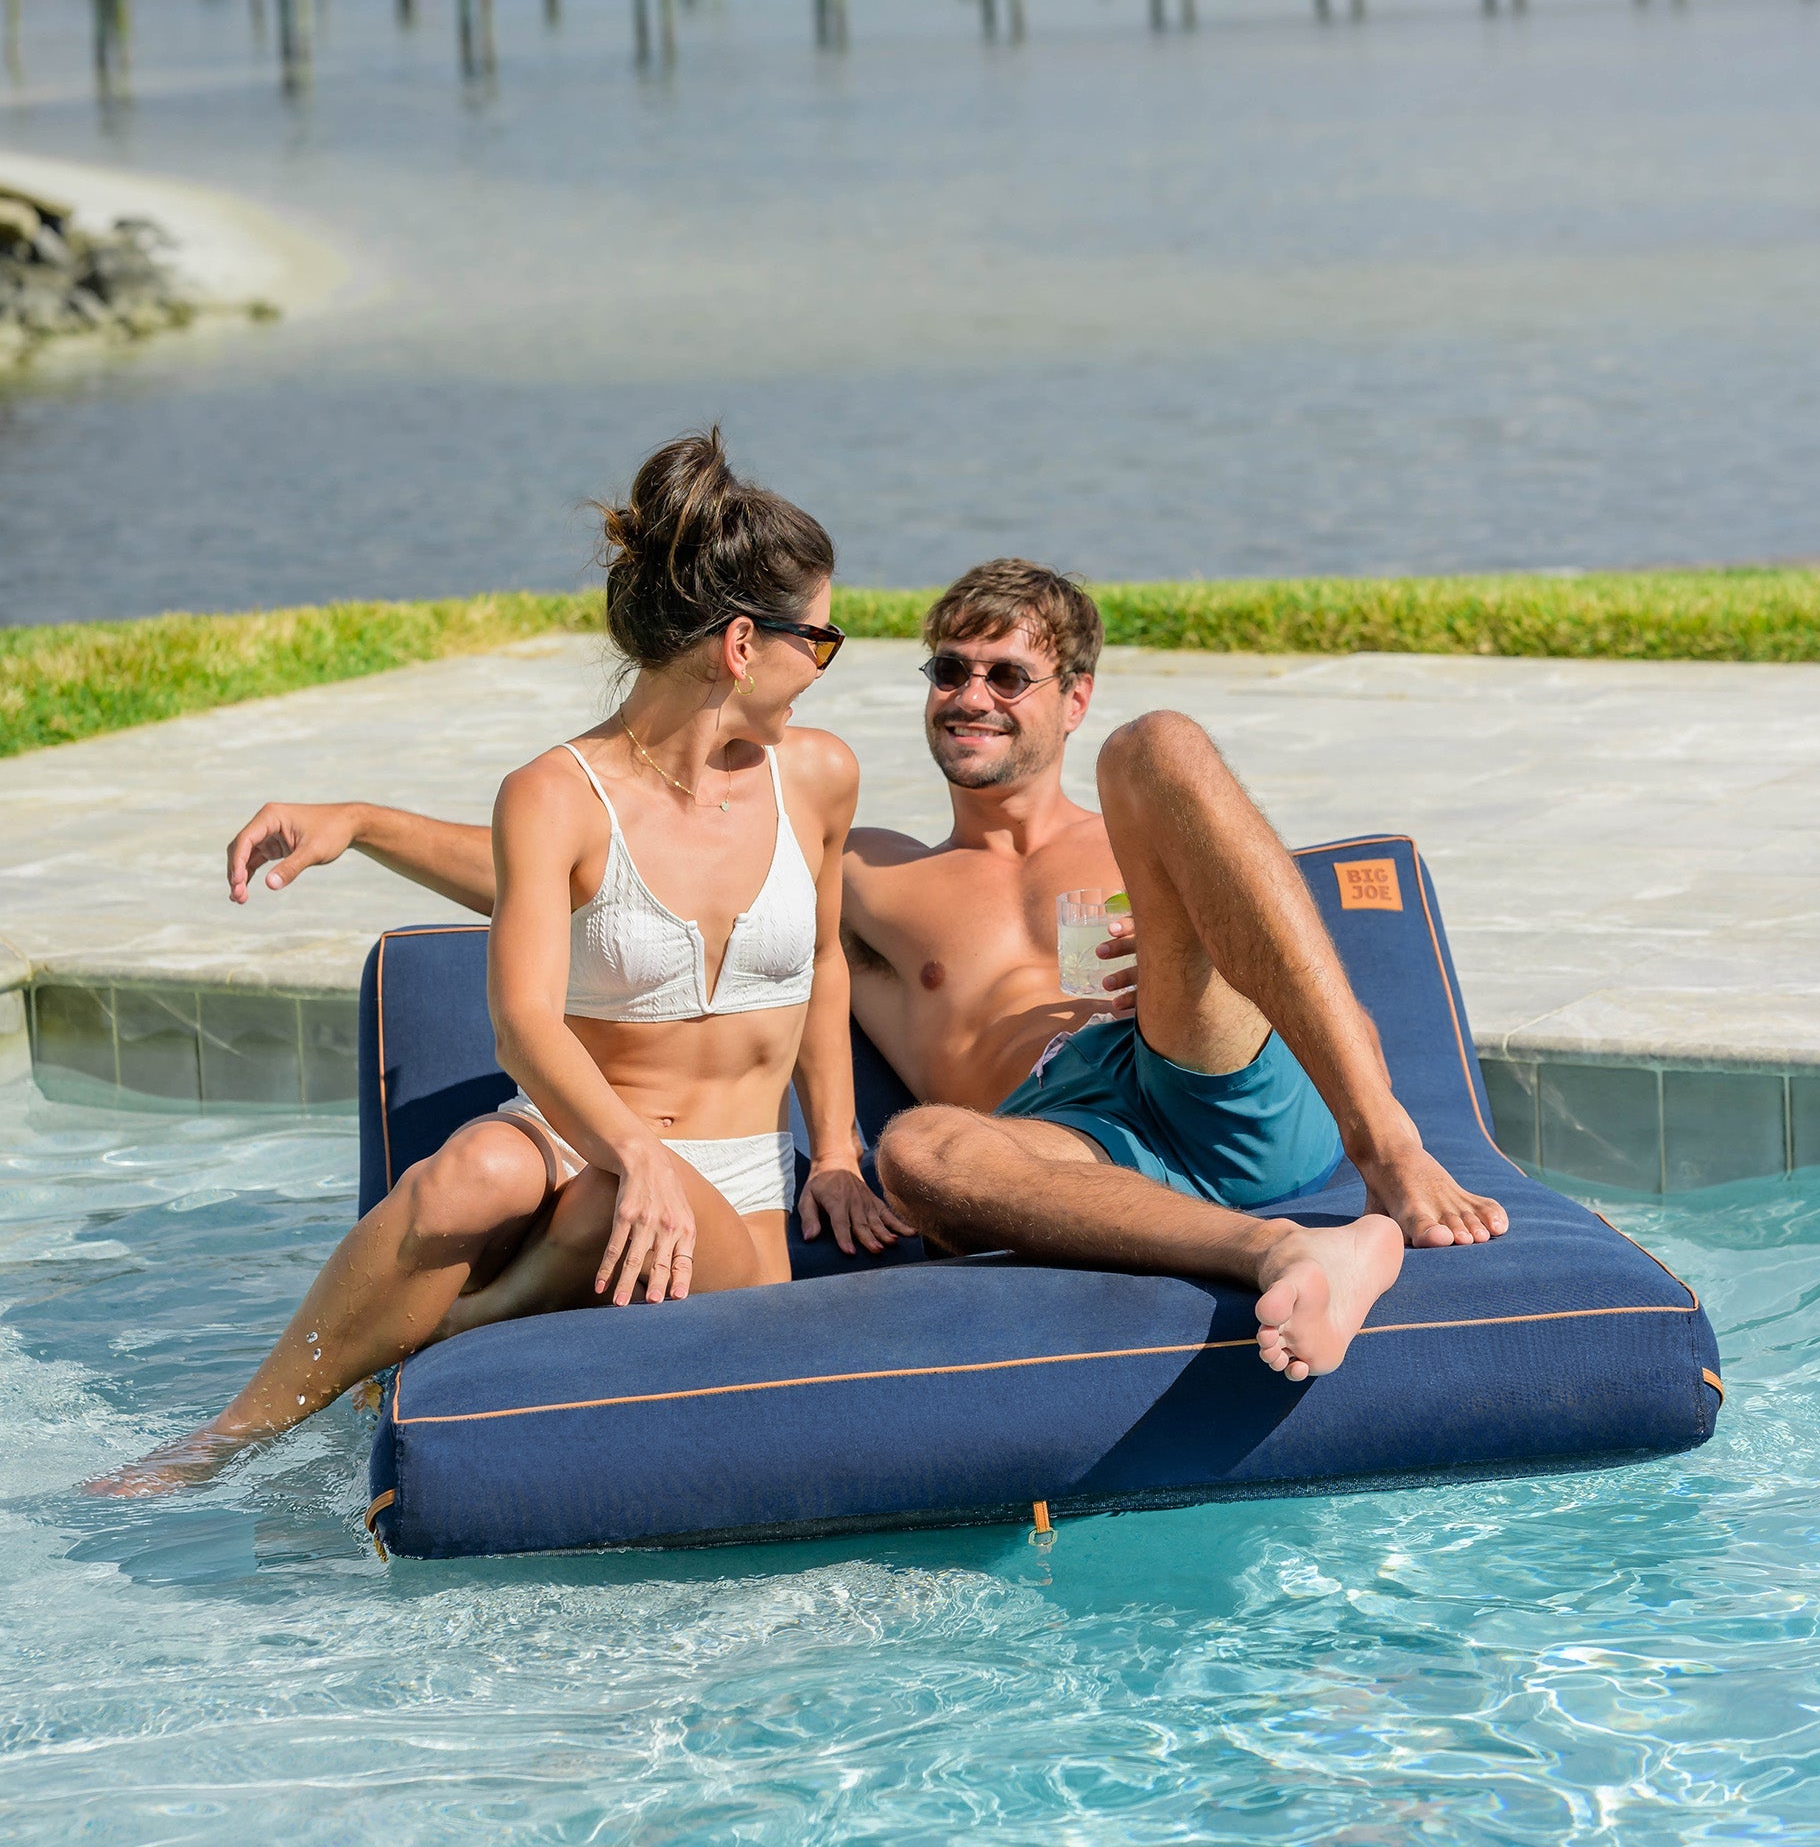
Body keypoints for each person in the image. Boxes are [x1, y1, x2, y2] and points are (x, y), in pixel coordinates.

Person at [215, 563, 1507, 1386]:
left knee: (1163, 749)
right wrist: (369, 823)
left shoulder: (1126, 838)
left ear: (1073, 695)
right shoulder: (872, 873)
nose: (973, 694)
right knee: (929, 1153)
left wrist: (1187, 935)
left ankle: (1384, 1151)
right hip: (1069, 1147)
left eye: (1011, 673)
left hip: (1197, 1062)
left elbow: (1246, 881)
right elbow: (594, 877)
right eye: (950, 669)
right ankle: (1301, 1255)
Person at [87, 429, 883, 1495]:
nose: (820, 671)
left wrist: (832, 1148)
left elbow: (823, 962)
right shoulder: (556, 793)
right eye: (818, 644)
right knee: (479, 1171)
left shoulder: (818, 778)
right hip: (573, 1139)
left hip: (730, 1189)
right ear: (741, 644)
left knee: (615, 1202)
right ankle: (221, 1443)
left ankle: (460, 1325)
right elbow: (523, 1025)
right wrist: (634, 1151)